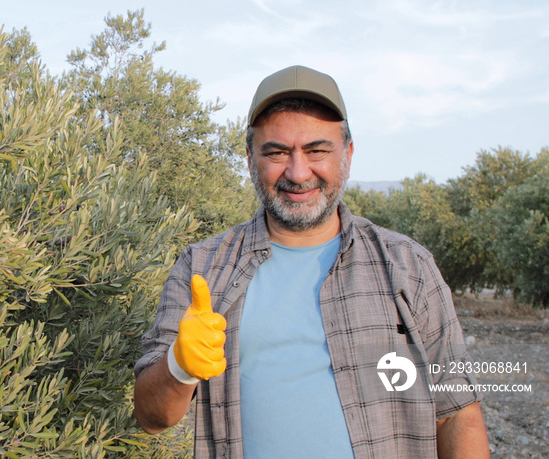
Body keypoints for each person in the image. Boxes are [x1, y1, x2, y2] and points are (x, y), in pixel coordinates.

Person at [134, 65, 489, 458]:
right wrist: (179, 365)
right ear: (251, 160)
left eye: (317, 150)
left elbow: (457, 414)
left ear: (347, 156)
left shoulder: (408, 264)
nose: (298, 172)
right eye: (277, 152)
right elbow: (152, 416)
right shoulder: (201, 267)